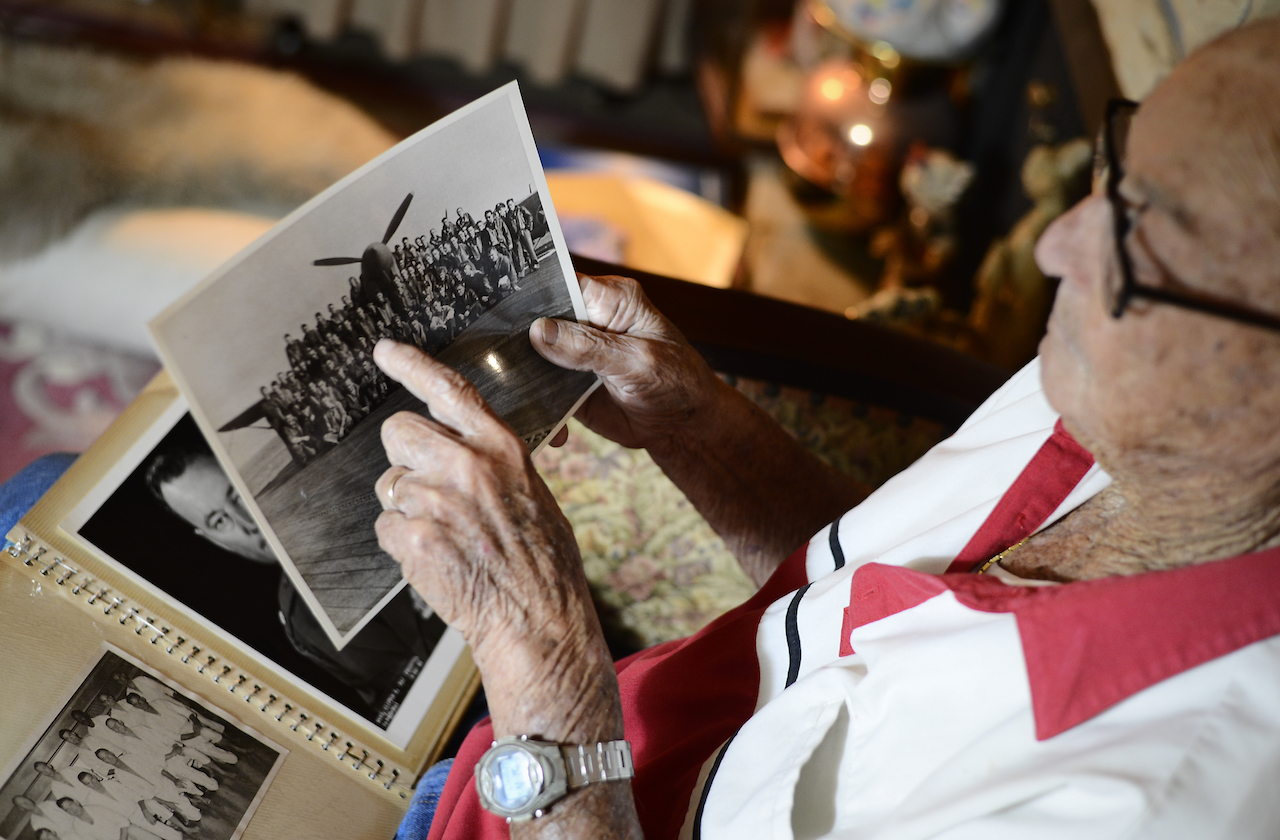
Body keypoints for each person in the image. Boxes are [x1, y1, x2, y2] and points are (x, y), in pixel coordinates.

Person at [372, 20, 1280, 840]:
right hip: (515, 767)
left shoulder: (1160, 800)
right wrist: (698, 427)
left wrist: (546, 673)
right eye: (1116, 169)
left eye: (1140, 233)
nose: (1055, 246)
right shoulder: (1124, 396)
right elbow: (883, 614)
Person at [143, 446, 446, 715]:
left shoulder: (379, 496)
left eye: (239, 496)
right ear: (216, 541)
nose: (250, 525)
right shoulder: (302, 624)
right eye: (220, 521)